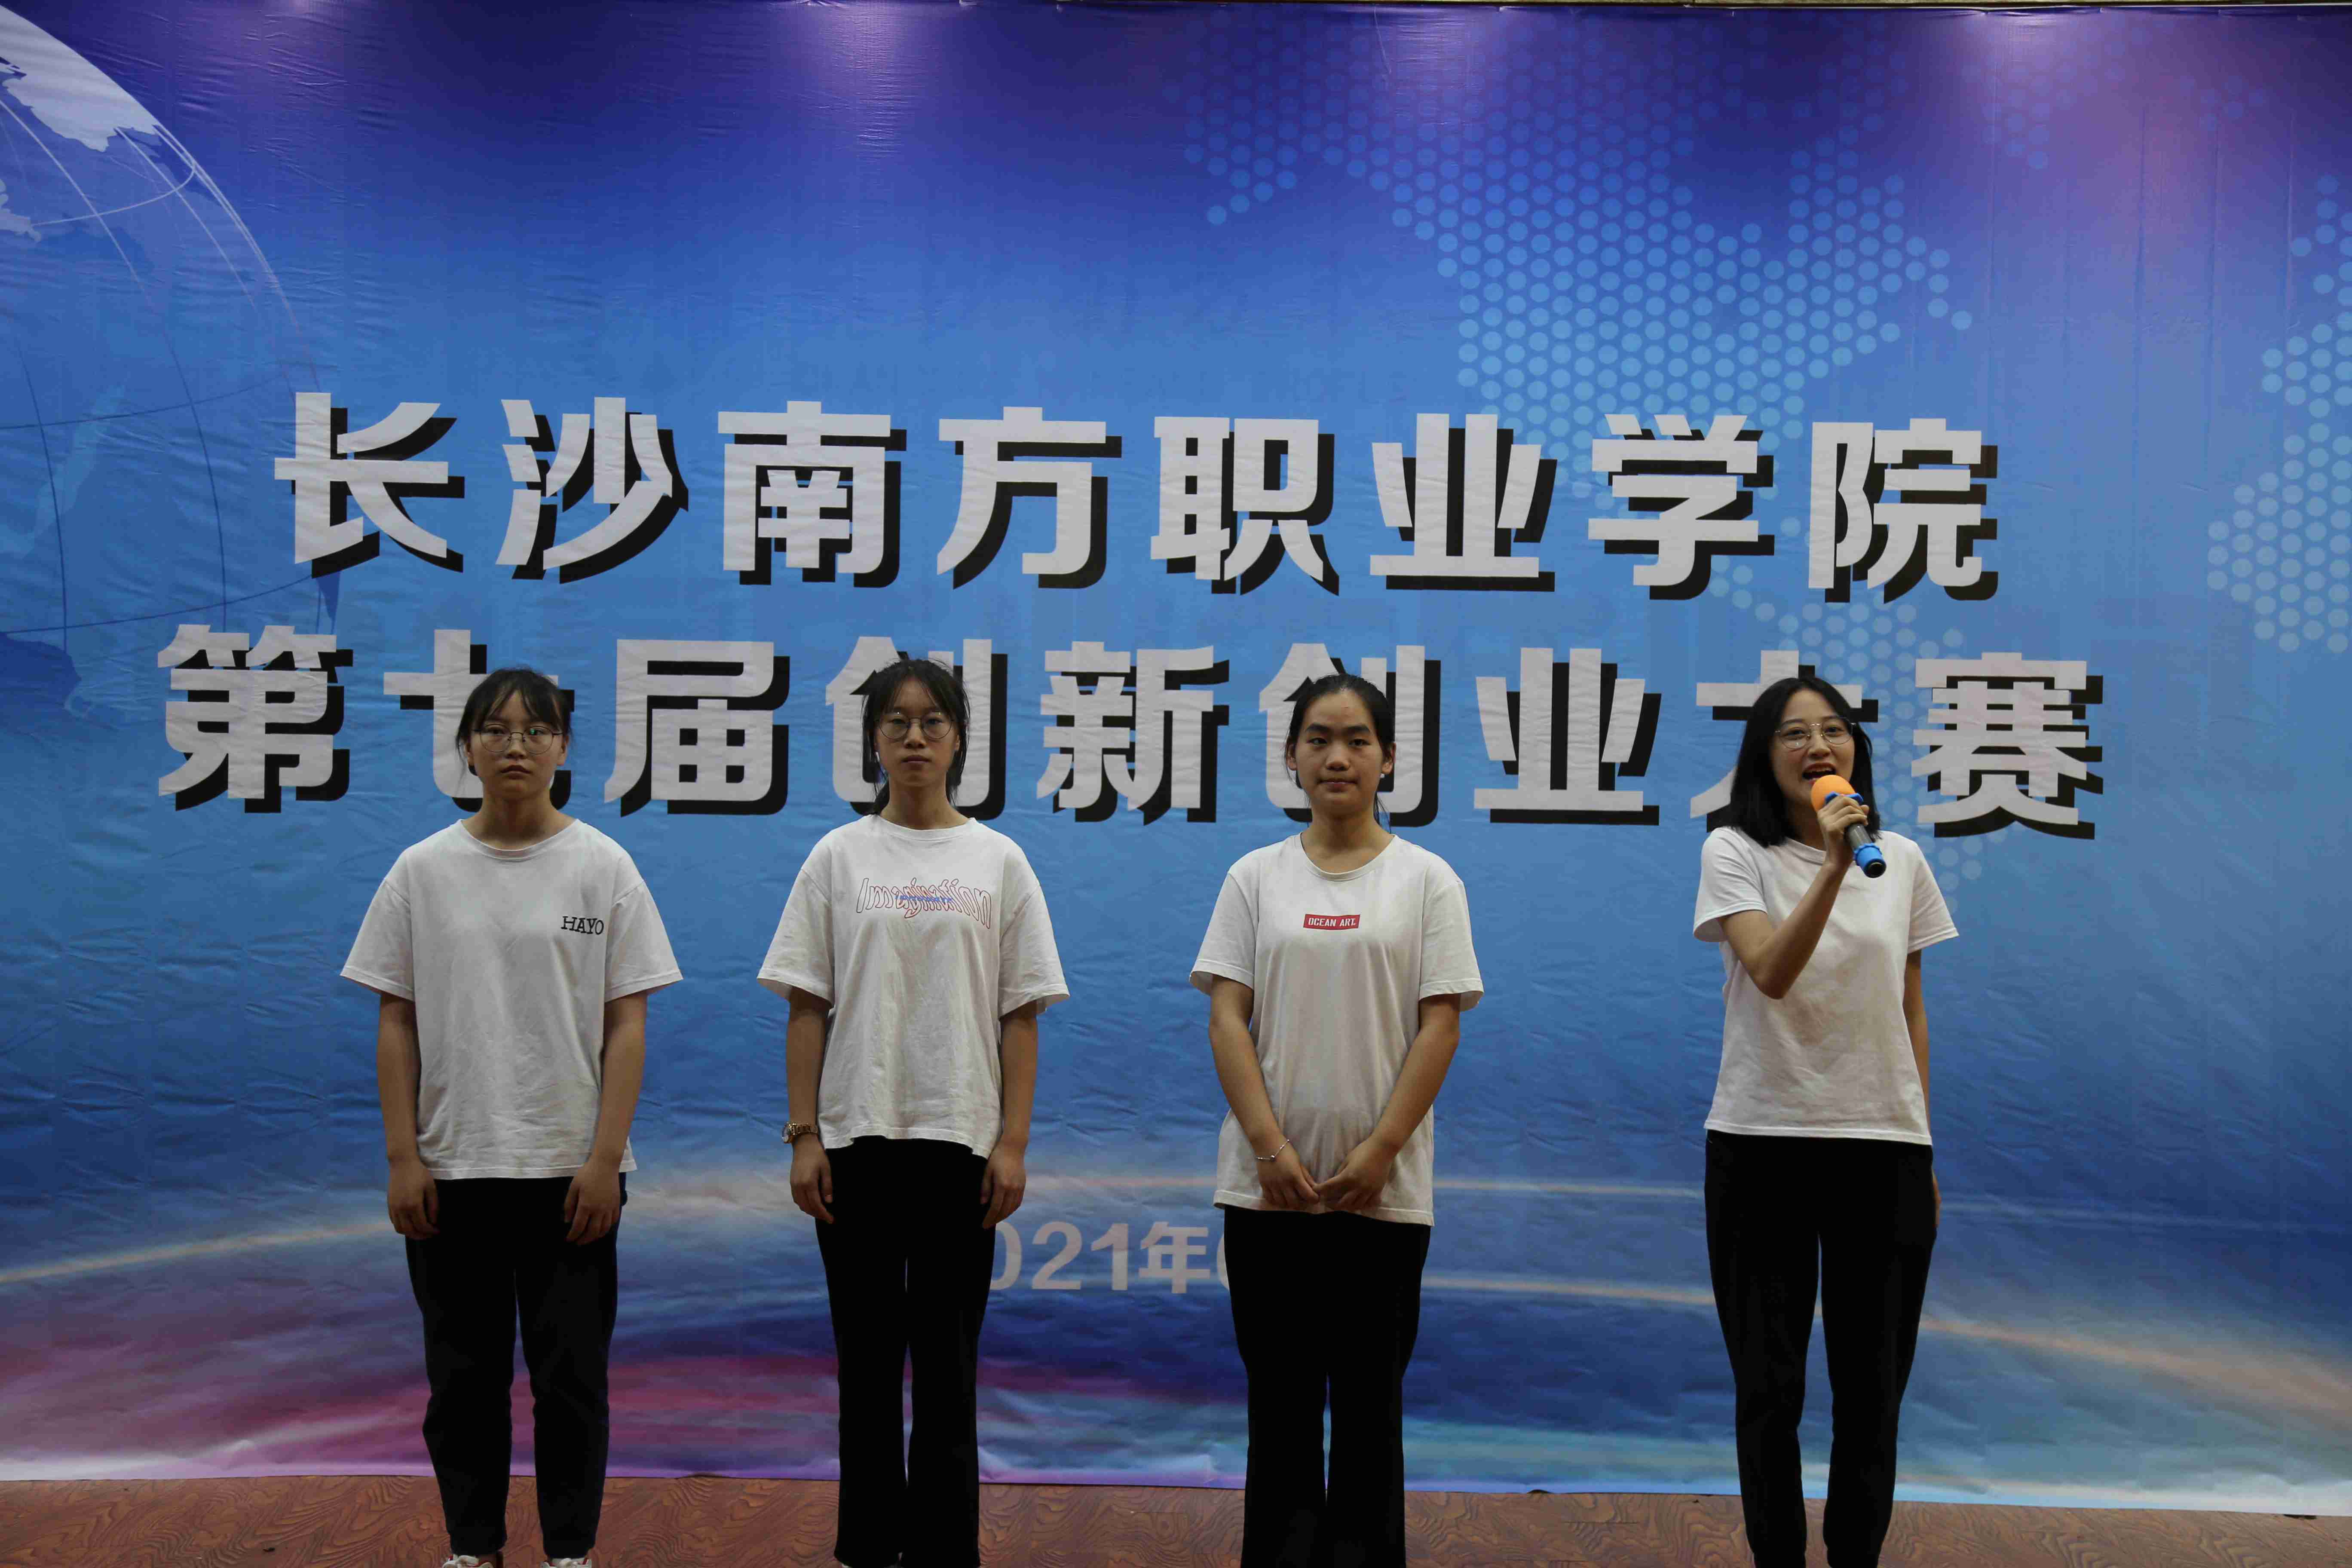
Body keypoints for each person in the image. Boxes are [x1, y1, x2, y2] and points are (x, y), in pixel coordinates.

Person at [344, 667, 680, 1568]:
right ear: (467, 749)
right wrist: (403, 1157)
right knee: (462, 1380)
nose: (516, 746)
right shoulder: (422, 871)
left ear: (564, 748)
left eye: (536, 731)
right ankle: (474, 1547)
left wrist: (606, 1158)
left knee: (572, 1379)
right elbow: (396, 1021)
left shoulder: (604, 867)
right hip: (452, 1169)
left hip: (571, 1174)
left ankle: (570, 1550)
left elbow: (627, 1025)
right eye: (495, 730)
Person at [758, 656, 1068, 1568]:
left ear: (960, 738)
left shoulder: (998, 860)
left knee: (947, 1367)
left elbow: (1020, 1015)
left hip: (960, 1146)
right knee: (864, 1364)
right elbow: (806, 1004)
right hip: (855, 1144)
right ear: (874, 742)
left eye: (933, 721)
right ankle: (867, 1548)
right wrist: (805, 1136)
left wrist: (1012, 1144)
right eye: (896, 723)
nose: (916, 738)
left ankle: (942, 1550)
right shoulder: (838, 856)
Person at [1188, 671, 1483, 1568]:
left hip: (1380, 1196)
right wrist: (1269, 1148)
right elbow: (1227, 1018)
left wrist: (1382, 1149)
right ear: (1291, 757)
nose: (1338, 757)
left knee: (1368, 1410)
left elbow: (1441, 1022)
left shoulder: (1427, 880)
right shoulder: (1254, 878)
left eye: (1358, 740)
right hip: (1268, 1192)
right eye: (1318, 739)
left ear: (1389, 758)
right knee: (1279, 1407)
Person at [1692, 674, 1957, 1568]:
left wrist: (1921, 1143)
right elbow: (1770, 971)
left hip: (1881, 1147)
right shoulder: (1734, 850)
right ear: (1764, 757)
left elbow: (1910, 1006)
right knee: (1769, 1387)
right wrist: (1836, 868)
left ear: (1856, 751)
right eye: (1794, 734)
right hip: (1761, 1142)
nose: (1819, 747)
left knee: (1872, 1390)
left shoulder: (1901, 860)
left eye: (1834, 731)